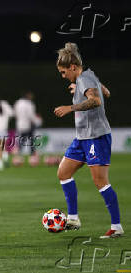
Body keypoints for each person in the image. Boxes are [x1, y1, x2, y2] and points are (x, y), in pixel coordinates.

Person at [54, 42, 123, 238]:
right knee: (63, 172)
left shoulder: (85, 79)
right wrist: (79, 88)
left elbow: (96, 100)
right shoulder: (89, 76)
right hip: (82, 137)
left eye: (63, 72)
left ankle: (116, 226)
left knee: (100, 181)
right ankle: (73, 218)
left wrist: (70, 107)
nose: (63, 76)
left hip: (96, 137)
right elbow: (106, 93)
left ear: (73, 67)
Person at [14, 91, 42, 156]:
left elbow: (15, 113)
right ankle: (32, 152)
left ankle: (19, 151)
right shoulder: (29, 104)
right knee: (30, 139)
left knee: (24, 138)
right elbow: (31, 115)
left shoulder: (18, 103)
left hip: (20, 124)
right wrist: (38, 121)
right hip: (28, 124)